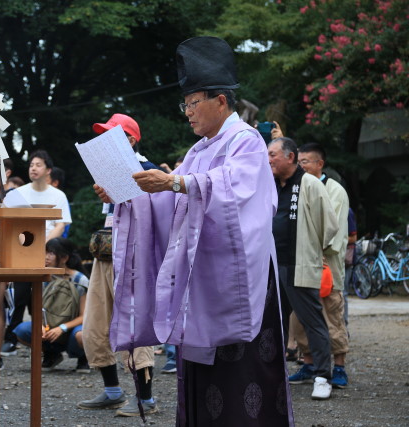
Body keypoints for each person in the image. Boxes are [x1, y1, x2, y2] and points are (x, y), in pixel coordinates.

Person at [94, 37, 294, 425]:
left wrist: (175, 183)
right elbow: (174, 201)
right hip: (200, 281)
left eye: (192, 102)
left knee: (242, 377)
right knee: (201, 377)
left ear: (221, 100)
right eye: (184, 103)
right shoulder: (199, 150)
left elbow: (236, 189)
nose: (186, 112)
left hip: (237, 281)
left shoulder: (246, 141)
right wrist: (128, 193)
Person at [78, 113, 162, 417]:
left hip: (136, 254)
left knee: (135, 322)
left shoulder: (149, 171)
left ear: (129, 140)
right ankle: (113, 390)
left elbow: (158, 217)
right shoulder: (112, 171)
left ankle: (146, 398)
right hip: (108, 250)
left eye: (111, 137)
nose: (104, 143)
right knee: (96, 319)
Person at [268, 136, 339, 400]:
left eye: (273, 154)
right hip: (273, 265)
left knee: (313, 321)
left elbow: (329, 225)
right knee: (274, 323)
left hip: (300, 263)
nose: (269, 159)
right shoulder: (270, 184)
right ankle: (274, 374)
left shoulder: (308, 183)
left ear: (290, 156)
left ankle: (323, 376)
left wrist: (313, 251)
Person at [289, 142, 350, 388]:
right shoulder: (296, 186)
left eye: (305, 161)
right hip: (301, 265)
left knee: (331, 316)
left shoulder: (335, 190)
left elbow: (333, 230)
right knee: (301, 318)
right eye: (299, 161)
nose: (301, 165)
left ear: (320, 164)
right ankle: (309, 363)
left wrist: (315, 250)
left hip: (327, 265)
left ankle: (340, 367)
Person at [2, 150, 72, 357]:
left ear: (48, 170)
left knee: (44, 300)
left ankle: (47, 345)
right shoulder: (18, 193)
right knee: (21, 295)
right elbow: (9, 224)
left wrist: (44, 246)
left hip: (49, 255)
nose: (33, 168)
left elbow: (61, 224)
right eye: (32, 164)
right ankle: (11, 337)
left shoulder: (58, 195)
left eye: (39, 164)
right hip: (23, 252)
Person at [12, 238, 90, 372]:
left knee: (81, 335)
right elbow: (38, 309)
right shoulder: (42, 277)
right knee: (21, 330)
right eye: (45, 252)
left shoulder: (80, 279)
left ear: (64, 258)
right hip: (49, 327)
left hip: (72, 328)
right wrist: (40, 325)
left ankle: (83, 357)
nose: (46, 257)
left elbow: (85, 316)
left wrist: (62, 328)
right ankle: (51, 354)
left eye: (51, 253)